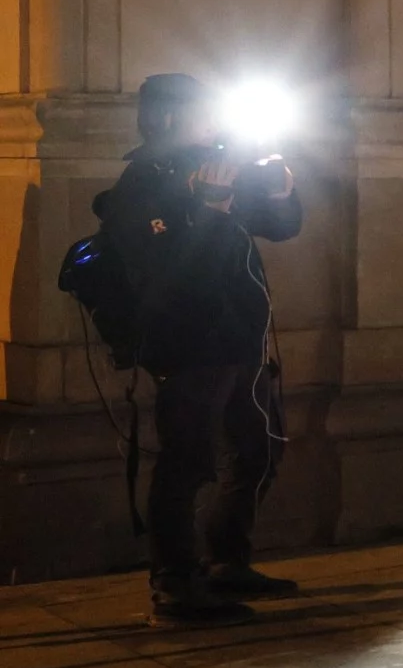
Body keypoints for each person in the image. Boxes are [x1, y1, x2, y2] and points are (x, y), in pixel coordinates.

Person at [94, 74, 304, 627]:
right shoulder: (142, 186)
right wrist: (210, 208)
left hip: (241, 341)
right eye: (204, 110)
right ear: (167, 118)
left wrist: (282, 191)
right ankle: (175, 588)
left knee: (256, 453)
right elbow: (174, 274)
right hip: (188, 347)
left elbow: (280, 228)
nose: (216, 120)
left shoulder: (220, 165)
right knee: (186, 465)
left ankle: (227, 563)